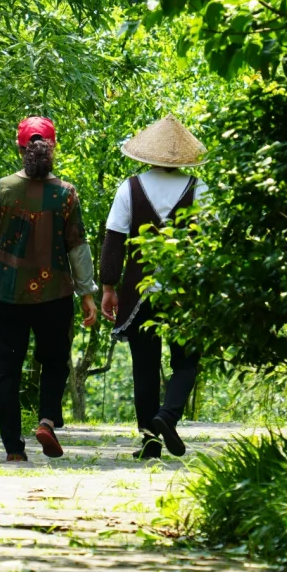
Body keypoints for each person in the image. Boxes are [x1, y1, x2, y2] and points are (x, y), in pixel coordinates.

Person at [0, 116, 98, 462]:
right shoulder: (66, 193)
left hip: (7, 293)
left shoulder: (2, 189)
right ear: (53, 147)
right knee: (55, 361)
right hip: (54, 294)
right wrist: (86, 293)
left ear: (19, 148)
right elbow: (77, 245)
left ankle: (14, 450)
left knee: (5, 369)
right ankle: (46, 418)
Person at [99, 115, 207, 459]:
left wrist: (108, 286)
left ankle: (150, 441)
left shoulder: (129, 188)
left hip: (139, 289)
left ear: (146, 155)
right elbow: (211, 238)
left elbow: (113, 240)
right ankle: (167, 416)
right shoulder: (199, 188)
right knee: (186, 363)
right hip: (185, 288)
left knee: (144, 366)